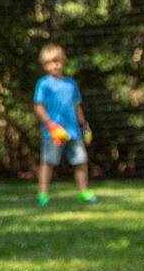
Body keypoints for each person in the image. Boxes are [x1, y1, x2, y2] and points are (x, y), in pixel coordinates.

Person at [33, 44, 97, 206]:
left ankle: (83, 192)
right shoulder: (43, 84)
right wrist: (51, 125)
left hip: (73, 131)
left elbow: (77, 106)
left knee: (81, 161)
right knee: (48, 162)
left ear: (63, 61)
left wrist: (84, 125)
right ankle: (43, 194)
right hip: (53, 133)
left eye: (56, 61)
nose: (53, 66)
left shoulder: (71, 84)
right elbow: (39, 107)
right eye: (48, 63)